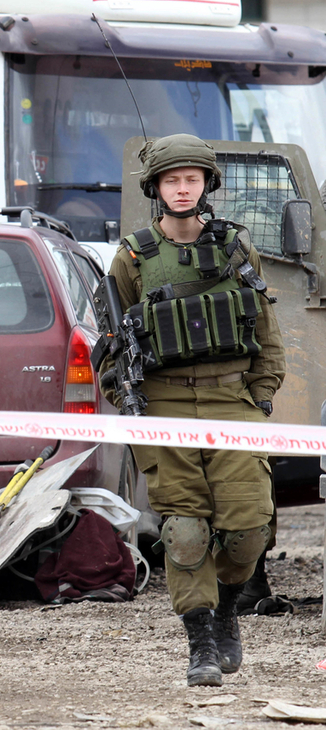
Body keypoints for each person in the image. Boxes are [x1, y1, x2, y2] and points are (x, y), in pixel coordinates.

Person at [100, 134, 285, 686]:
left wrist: (262, 394)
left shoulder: (236, 248)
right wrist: (127, 400)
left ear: (207, 184)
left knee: (249, 527)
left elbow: (267, 332)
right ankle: (201, 642)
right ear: (155, 188)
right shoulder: (132, 257)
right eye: (171, 180)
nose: (182, 189)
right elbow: (110, 347)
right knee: (184, 532)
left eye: (192, 179)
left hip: (233, 400)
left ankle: (227, 610)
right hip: (165, 403)